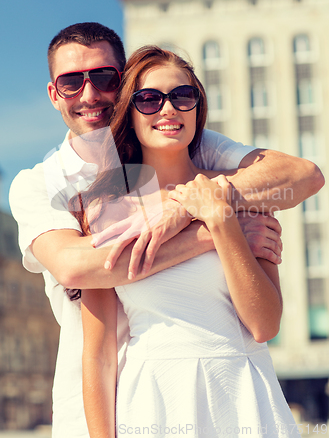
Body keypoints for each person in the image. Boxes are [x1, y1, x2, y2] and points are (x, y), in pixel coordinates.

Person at [8, 23, 323, 438]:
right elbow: (76, 268)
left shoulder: (208, 157)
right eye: (71, 82)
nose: (89, 94)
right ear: (54, 93)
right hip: (121, 403)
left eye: (104, 78)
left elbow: (303, 175)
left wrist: (199, 208)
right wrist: (213, 229)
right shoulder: (57, 190)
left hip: (242, 393)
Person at [79, 46, 310, 438]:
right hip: (153, 398)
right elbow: (99, 355)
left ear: (197, 109)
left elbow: (264, 324)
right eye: (149, 99)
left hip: (242, 395)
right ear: (129, 114)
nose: (168, 109)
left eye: (182, 97)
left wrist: (219, 218)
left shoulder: (242, 197)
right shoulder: (104, 211)